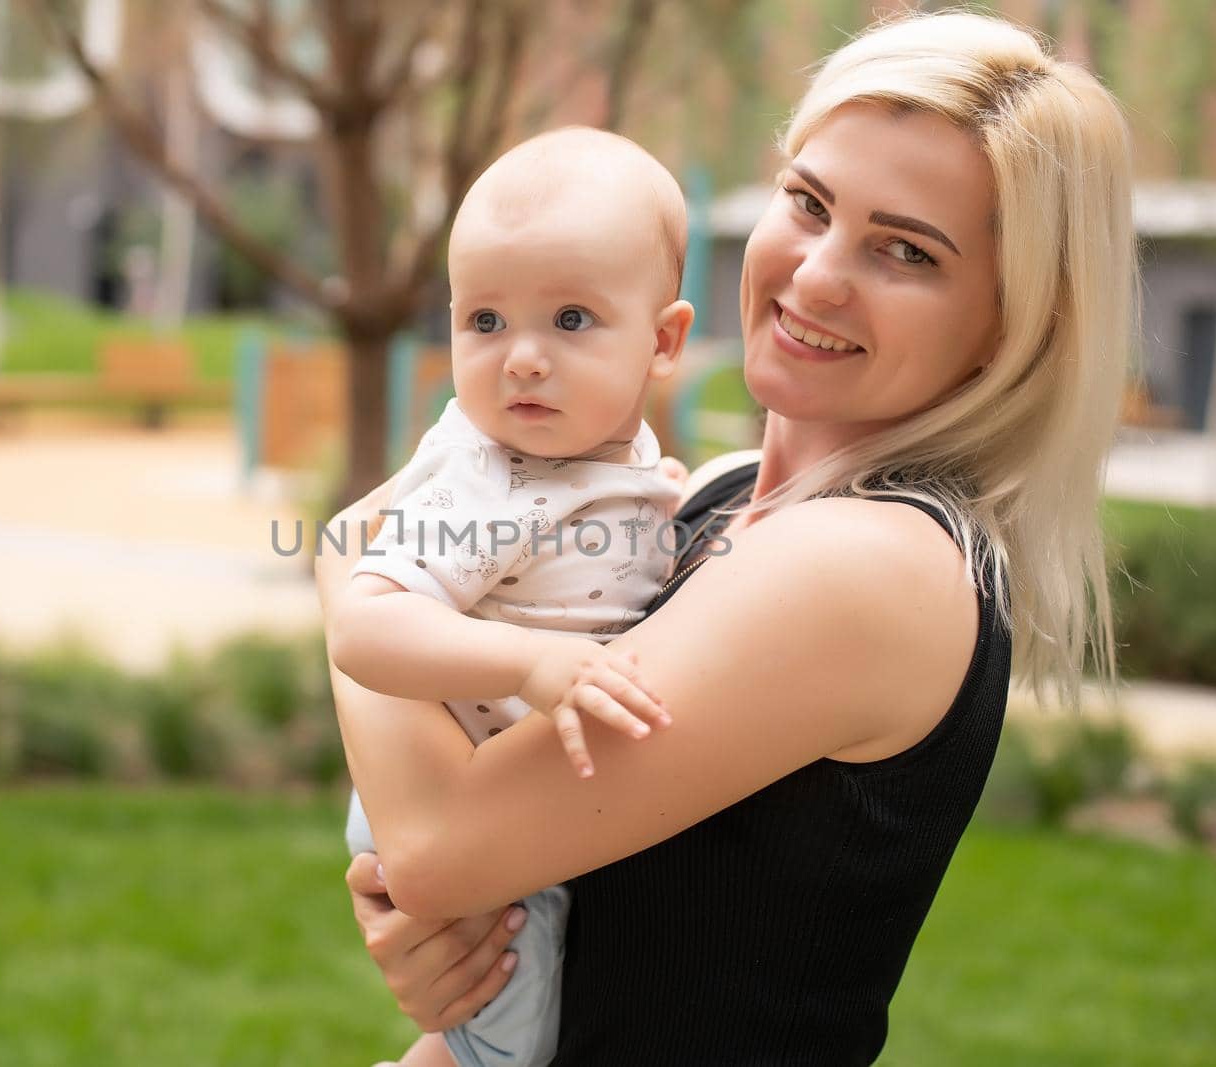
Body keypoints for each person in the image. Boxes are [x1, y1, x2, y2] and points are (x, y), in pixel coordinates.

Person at [318, 10, 1135, 1064]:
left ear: (1013, 320)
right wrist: (459, 960)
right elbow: (523, 891)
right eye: (808, 202)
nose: (817, 275)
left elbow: (438, 842)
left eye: (904, 251)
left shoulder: (870, 564)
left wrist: (353, 558)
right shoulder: (708, 494)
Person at [328, 127, 696, 1067]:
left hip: (508, 785)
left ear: (662, 342)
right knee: (510, 1036)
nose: (521, 358)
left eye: (570, 320)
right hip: (459, 782)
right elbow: (367, 624)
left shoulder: (608, 453)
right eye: (484, 322)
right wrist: (531, 663)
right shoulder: (491, 477)